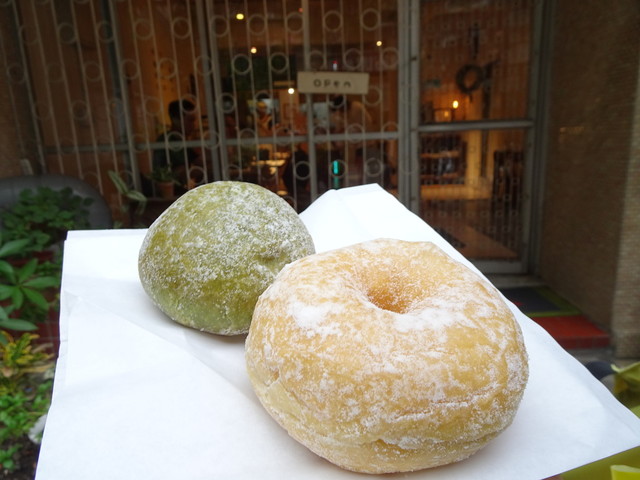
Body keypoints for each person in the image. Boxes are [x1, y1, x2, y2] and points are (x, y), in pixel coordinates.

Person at [151, 99, 202, 194]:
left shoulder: (182, 140)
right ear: (176, 120)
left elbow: (198, 160)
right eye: (190, 120)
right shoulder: (169, 140)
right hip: (168, 193)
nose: (194, 125)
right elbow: (180, 172)